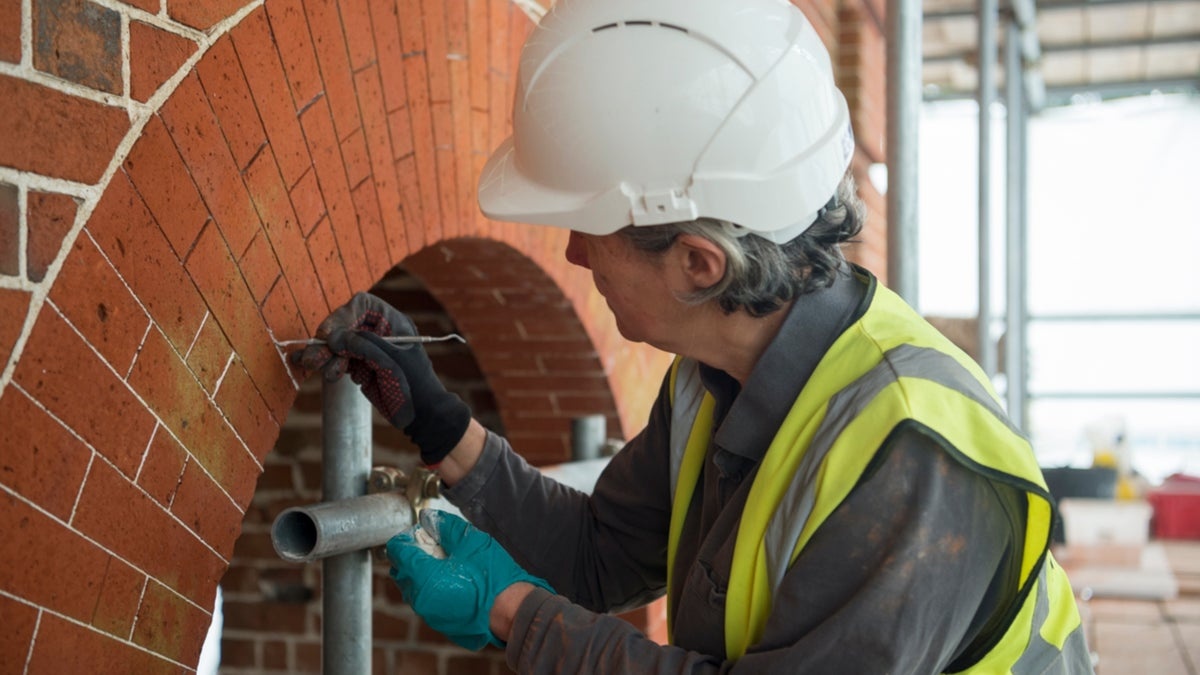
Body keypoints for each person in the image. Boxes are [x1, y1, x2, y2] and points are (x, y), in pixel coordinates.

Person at [294, 0, 1094, 671]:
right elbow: (599, 554)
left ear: (699, 263)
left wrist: (513, 611)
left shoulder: (907, 456)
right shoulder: (710, 375)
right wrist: (435, 417)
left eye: (590, 228)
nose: (573, 251)